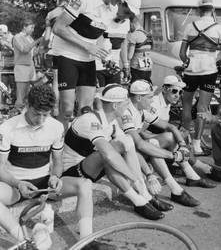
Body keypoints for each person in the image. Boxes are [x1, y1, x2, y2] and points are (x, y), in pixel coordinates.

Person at [62, 83, 170, 220]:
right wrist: (134, 178)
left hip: (90, 168)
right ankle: (139, 201)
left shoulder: (112, 122)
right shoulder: (90, 120)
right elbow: (109, 155)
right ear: (115, 106)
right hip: (72, 173)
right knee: (107, 155)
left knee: (127, 141)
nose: (127, 106)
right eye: (125, 103)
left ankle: (144, 196)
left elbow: (130, 149)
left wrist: (147, 175)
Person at [0, 85, 93, 242]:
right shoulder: (7, 128)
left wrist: (56, 176)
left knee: (85, 184)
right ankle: (25, 241)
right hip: (15, 185)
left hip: (45, 184)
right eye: (37, 114)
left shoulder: (55, 126)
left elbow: (57, 161)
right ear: (27, 105)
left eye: (46, 115)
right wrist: (18, 183)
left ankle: (87, 240)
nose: (41, 120)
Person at [53, 0, 136, 130]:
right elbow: (58, 28)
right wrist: (87, 46)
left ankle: (79, 145)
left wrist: (104, 55)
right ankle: (59, 144)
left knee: (86, 109)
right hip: (67, 55)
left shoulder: (113, 9)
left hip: (88, 59)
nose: (121, 0)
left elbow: (98, 34)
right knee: (68, 109)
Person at [121, 79, 203, 207]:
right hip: (124, 154)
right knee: (152, 143)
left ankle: (177, 188)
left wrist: (182, 144)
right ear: (138, 98)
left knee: (162, 140)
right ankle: (175, 188)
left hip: (133, 150)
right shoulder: (127, 112)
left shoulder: (141, 109)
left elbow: (170, 126)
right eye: (149, 97)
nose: (152, 100)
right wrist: (173, 156)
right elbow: (139, 144)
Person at [179, 0, 221, 156]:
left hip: (191, 70)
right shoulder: (218, 28)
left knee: (186, 104)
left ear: (199, 11)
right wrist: (216, 62)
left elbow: (182, 54)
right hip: (208, 70)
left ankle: (182, 141)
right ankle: (197, 145)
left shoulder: (189, 26)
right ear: (212, 11)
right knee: (202, 108)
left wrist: (189, 61)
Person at [150, 75, 216, 179]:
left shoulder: (166, 103)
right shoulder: (154, 103)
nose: (178, 95)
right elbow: (143, 131)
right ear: (164, 89)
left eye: (180, 92)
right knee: (174, 136)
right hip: (147, 141)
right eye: (174, 91)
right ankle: (199, 167)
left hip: (157, 139)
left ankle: (185, 165)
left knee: (183, 133)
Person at [95, 0, 141, 92]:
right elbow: (95, 41)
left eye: (130, 14)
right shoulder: (104, 15)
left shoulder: (126, 22)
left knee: (115, 98)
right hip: (97, 66)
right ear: (120, 3)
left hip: (114, 68)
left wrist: (126, 65)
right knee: (98, 102)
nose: (127, 16)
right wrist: (105, 60)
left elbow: (123, 44)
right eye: (126, 12)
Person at [44, 0, 70, 116]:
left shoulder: (51, 14)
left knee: (56, 80)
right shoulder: (74, 12)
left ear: (58, 0)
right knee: (71, 80)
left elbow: (47, 37)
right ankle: (68, 110)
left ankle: (55, 109)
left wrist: (44, 48)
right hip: (72, 49)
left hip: (56, 49)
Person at [12, 19, 38, 110]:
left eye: (33, 28)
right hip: (21, 67)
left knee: (28, 95)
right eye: (31, 27)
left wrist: (42, 47)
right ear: (24, 27)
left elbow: (33, 53)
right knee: (21, 96)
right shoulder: (17, 37)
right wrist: (37, 41)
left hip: (30, 67)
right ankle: (15, 115)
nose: (33, 30)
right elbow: (24, 50)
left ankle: (25, 115)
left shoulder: (30, 38)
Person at [126, 17, 153, 83]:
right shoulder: (147, 34)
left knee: (136, 87)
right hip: (148, 68)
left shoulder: (134, 35)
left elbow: (129, 56)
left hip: (137, 67)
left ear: (132, 24)